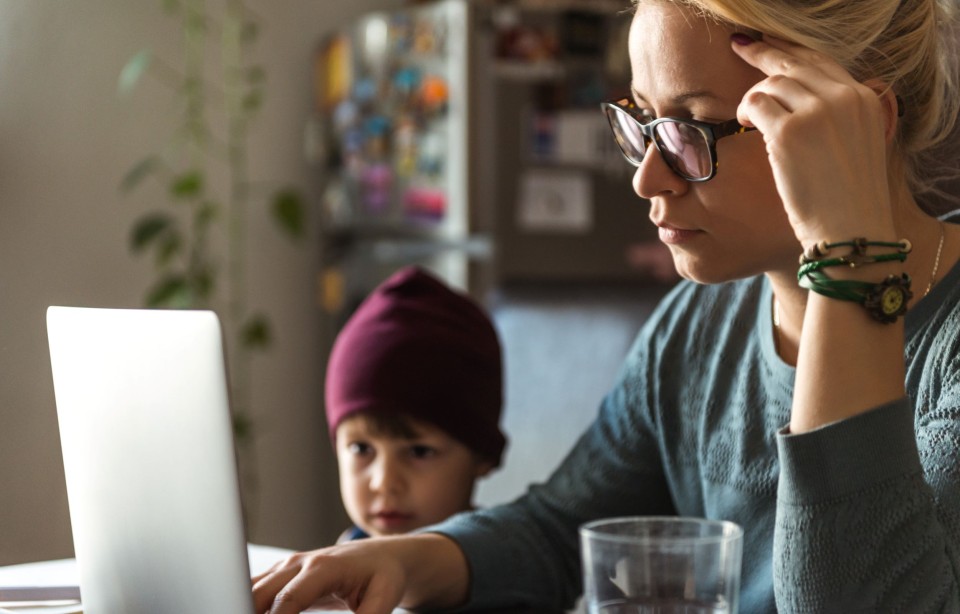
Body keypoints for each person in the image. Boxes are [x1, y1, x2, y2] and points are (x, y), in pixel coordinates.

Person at [253, 0, 960, 611]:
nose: (648, 177)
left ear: (856, 123)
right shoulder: (697, 328)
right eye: (642, 123)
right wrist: (402, 561)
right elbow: (562, 529)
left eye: (691, 130)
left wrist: (851, 256)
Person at [323, 265, 506, 541]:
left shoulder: (505, 570)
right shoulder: (340, 558)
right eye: (361, 449)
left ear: (482, 457)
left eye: (419, 452)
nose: (383, 482)